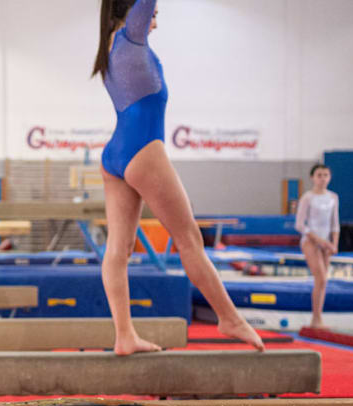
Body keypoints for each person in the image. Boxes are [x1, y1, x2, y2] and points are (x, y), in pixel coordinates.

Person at [93, 0, 263, 353]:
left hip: (115, 155)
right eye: (152, 16)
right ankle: (229, 318)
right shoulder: (130, 37)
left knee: (118, 249)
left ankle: (124, 335)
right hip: (143, 150)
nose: (154, 22)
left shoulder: (108, 44)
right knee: (189, 239)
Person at [296, 164, 340, 329]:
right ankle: (316, 318)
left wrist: (334, 244)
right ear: (313, 178)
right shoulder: (307, 197)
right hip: (310, 241)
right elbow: (300, 225)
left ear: (329, 178)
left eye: (326, 175)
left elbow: (335, 223)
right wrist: (319, 240)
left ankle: (318, 317)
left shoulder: (333, 197)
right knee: (321, 277)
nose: (322, 179)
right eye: (319, 175)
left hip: (327, 243)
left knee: (322, 282)